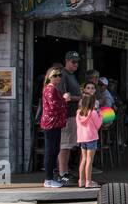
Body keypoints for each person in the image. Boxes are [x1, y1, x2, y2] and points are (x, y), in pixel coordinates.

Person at [39, 66, 68, 188]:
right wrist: (65, 100)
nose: (57, 78)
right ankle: (48, 178)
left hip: (55, 123)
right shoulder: (50, 89)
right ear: (49, 77)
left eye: (59, 75)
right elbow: (53, 106)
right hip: (51, 123)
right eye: (54, 75)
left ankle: (51, 176)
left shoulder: (53, 89)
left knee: (55, 150)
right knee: (50, 150)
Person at [56, 50, 82, 184]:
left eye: (77, 62)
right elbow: (63, 96)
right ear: (66, 61)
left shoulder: (72, 75)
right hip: (66, 114)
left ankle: (65, 171)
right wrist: (79, 98)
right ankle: (61, 173)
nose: (75, 64)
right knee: (64, 144)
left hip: (73, 114)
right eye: (73, 62)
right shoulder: (63, 75)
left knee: (69, 144)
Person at [75, 82, 102, 189]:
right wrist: (101, 116)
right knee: (90, 160)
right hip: (91, 138)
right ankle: (88, 181)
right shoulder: (94, 113)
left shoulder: (78, 112)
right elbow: (98, 125)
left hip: (82, 139)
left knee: (83, 159)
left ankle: (81, 180)